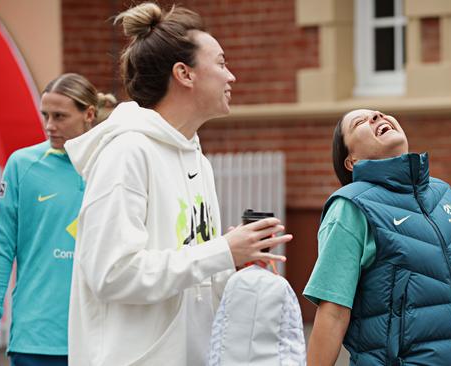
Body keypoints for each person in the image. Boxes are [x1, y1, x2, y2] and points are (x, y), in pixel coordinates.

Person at [63, 3, 293, 366]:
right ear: (184, 74)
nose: (231, 76)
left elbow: (192, 273)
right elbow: (112, 273)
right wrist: (221, 252)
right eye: (220, 63)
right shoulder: (127, 152)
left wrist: (233, 265)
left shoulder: (198, 160)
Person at [304, 109, 451, 365]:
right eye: (360, 123)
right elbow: (332, 314)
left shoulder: (442, 193)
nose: (377, 116)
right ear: (351, 161)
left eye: (379, 113)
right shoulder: (351, 207)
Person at [0, 73, 116, 366]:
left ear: (88, 114)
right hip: (37, 337)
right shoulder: (22, 166)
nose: (50, 126)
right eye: (46, 115)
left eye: (60, 116)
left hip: (102, 335)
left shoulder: (114, 164)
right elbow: (1, 252)